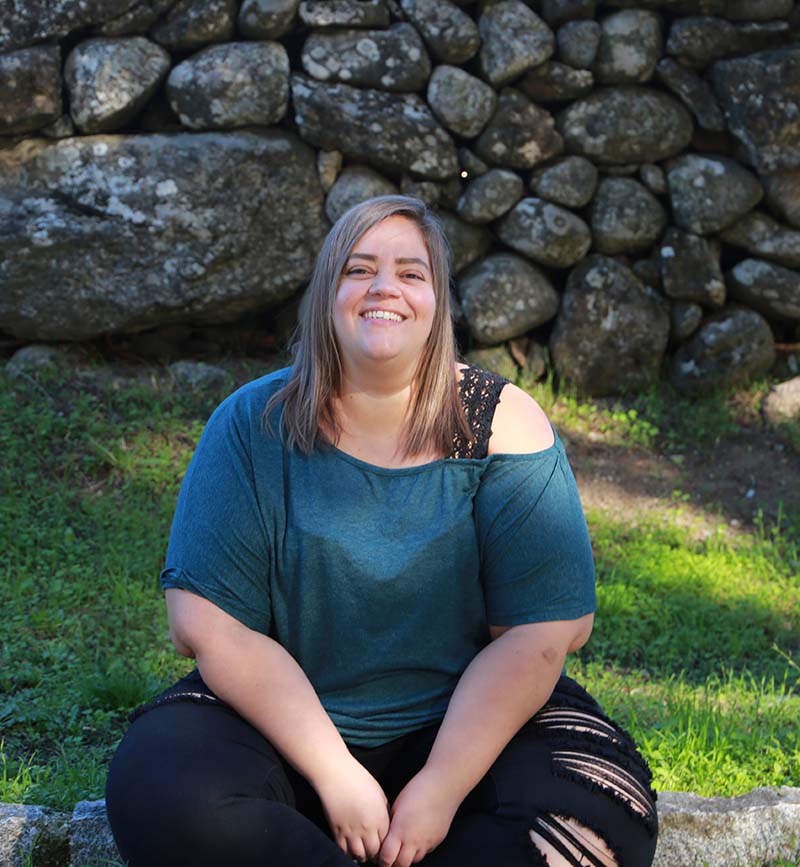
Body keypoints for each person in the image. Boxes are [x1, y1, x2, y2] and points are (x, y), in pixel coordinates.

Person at [106, 195, 658, 867]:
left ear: (437, 300)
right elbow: (208, 625)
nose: (383, 288)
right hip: (285, 729)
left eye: (410, 272)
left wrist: (440, 787)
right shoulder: (251, 423)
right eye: (359, 269)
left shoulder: (503, 424)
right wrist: (335, 774)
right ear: (326, 295)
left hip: (465, 730)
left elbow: (541, 637)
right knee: (162, 792)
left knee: (597, 818)